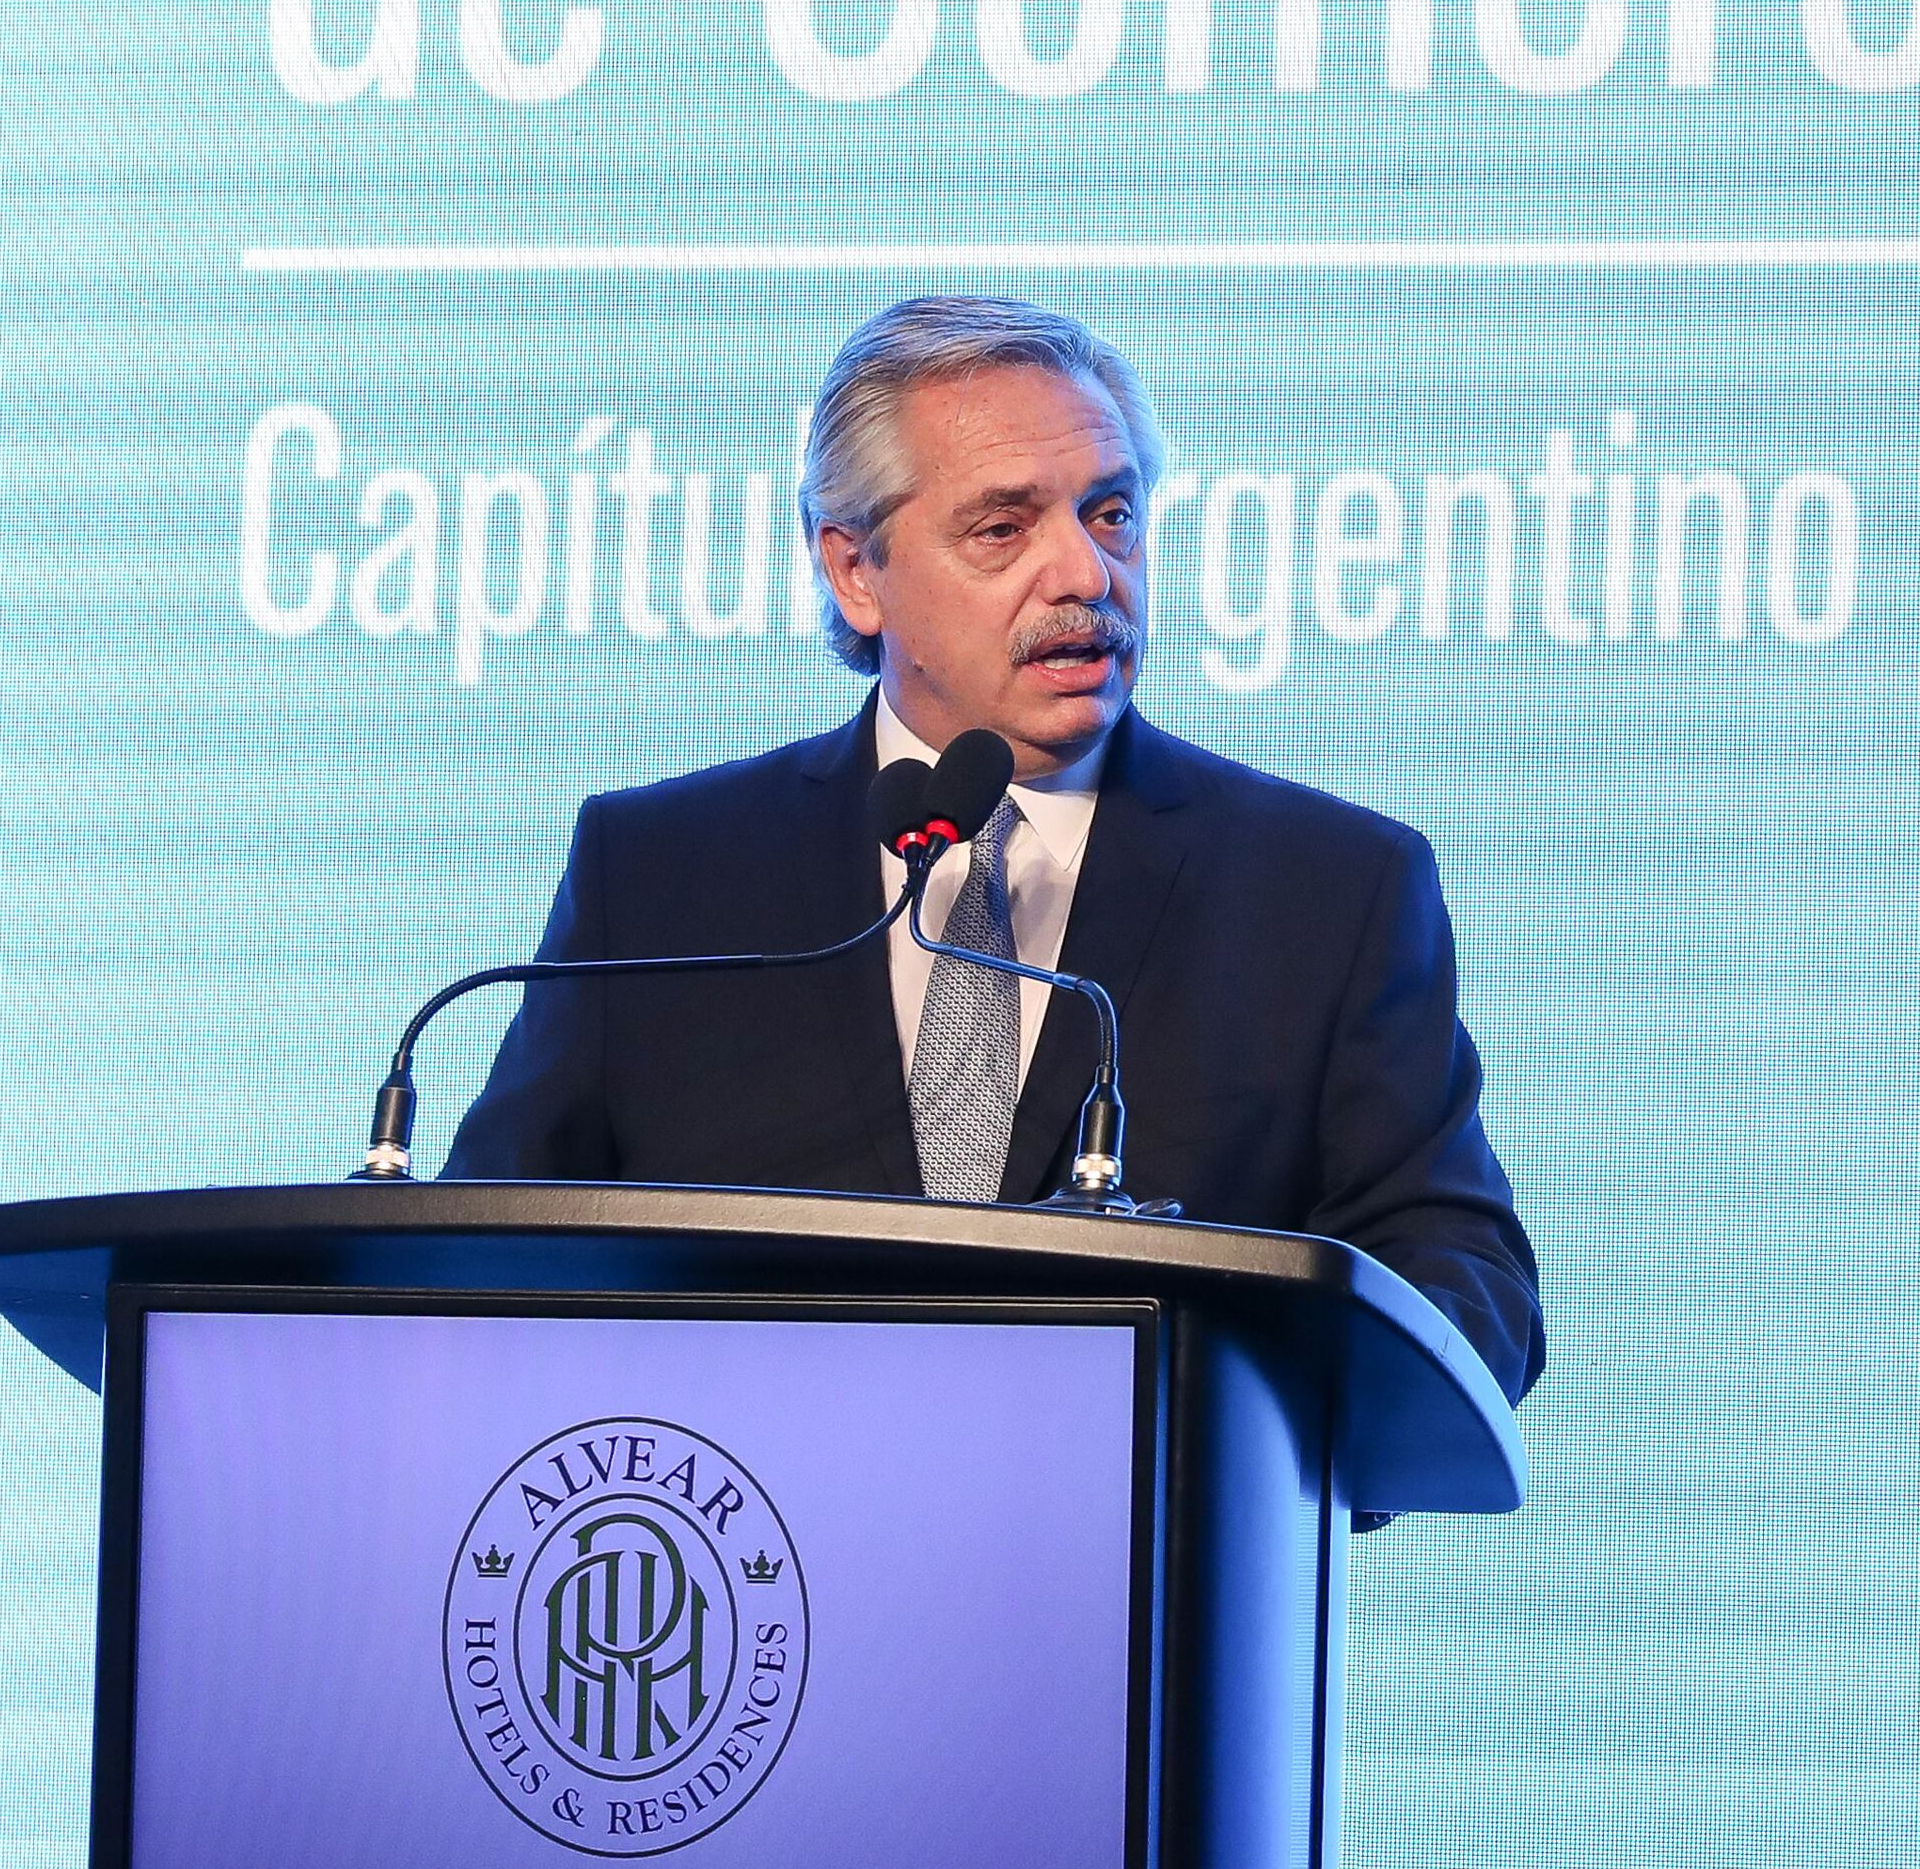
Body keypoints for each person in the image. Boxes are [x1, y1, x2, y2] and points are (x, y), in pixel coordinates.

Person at [444, 294, 1542, 1404]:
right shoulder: (659, 874)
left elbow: (1463, 1282)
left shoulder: (1327, 890)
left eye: (1110, 514)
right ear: (855, 572)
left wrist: (1246, 1408)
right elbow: (474, 1269)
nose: (1084, 574)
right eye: (1003, 528)